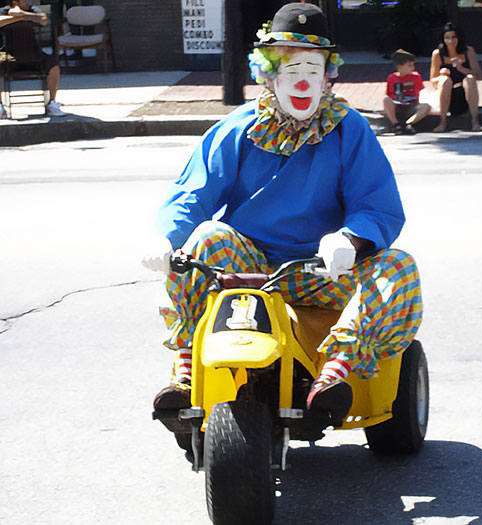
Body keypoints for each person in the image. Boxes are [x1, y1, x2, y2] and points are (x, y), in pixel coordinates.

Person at [141, 3, 423, 420]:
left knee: (398, 268)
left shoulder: (349, 129)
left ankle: (334, 375)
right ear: (270, 75)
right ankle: (186, 372)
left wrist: (350, 239)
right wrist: (166, 238)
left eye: (313, 69)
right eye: (292, 70)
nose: (303, 81)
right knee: (204, 239)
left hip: (323, 271)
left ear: (327, 76)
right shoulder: (238, 127)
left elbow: (376, 203)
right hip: (246, 272)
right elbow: (193, 192)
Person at [0, 0, 65, 118]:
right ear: (16, 2)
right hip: (10, 55)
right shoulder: (5, 10)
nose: (28, 2)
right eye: (25, 0)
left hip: (33, 53)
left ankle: (51, 103)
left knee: (54, 67)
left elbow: (43, 19)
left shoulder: (33, 10)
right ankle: (0, 106)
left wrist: (23, 15)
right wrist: (19, 18)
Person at [429, 22, 482, 132]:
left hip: (465, 96)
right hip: (447, 97)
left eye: (454, 37)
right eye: (447, 37)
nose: (451, 41)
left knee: (470, 79)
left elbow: (479, 75)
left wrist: (462, 69)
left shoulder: (468, 51)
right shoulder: (438, 54)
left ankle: (475, 121)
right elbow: (433, 82)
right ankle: (442, 122)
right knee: (445, 80)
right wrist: (442, 74)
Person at [383, 48, 430, 134]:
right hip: (398, 105)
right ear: (399, 67)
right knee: (386, 100)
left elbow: (420, 92)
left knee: (426, 107)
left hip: (412, 105)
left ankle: (408, 124)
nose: (413, 67)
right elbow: (389, 94)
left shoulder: (416, 77)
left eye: (413, 65)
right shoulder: (392, 78)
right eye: (409, 65)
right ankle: (396, 124)